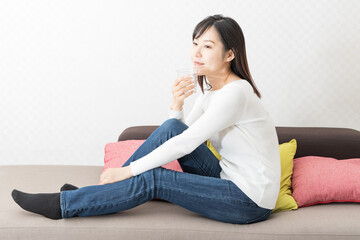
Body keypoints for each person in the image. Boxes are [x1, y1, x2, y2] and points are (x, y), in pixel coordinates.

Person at [11, 14, 281, 224]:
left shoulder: (236, 94)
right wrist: (176, 105)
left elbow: (185, 144)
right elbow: (179, 131)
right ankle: (100, 192)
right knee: (172, 126)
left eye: (208, 46)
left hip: (249, 200)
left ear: (230, 54)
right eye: (195, 43)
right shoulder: (213, 89)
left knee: (154, 179)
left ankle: (65, 205)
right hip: (226, 178)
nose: (196, 52)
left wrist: (128, 171)